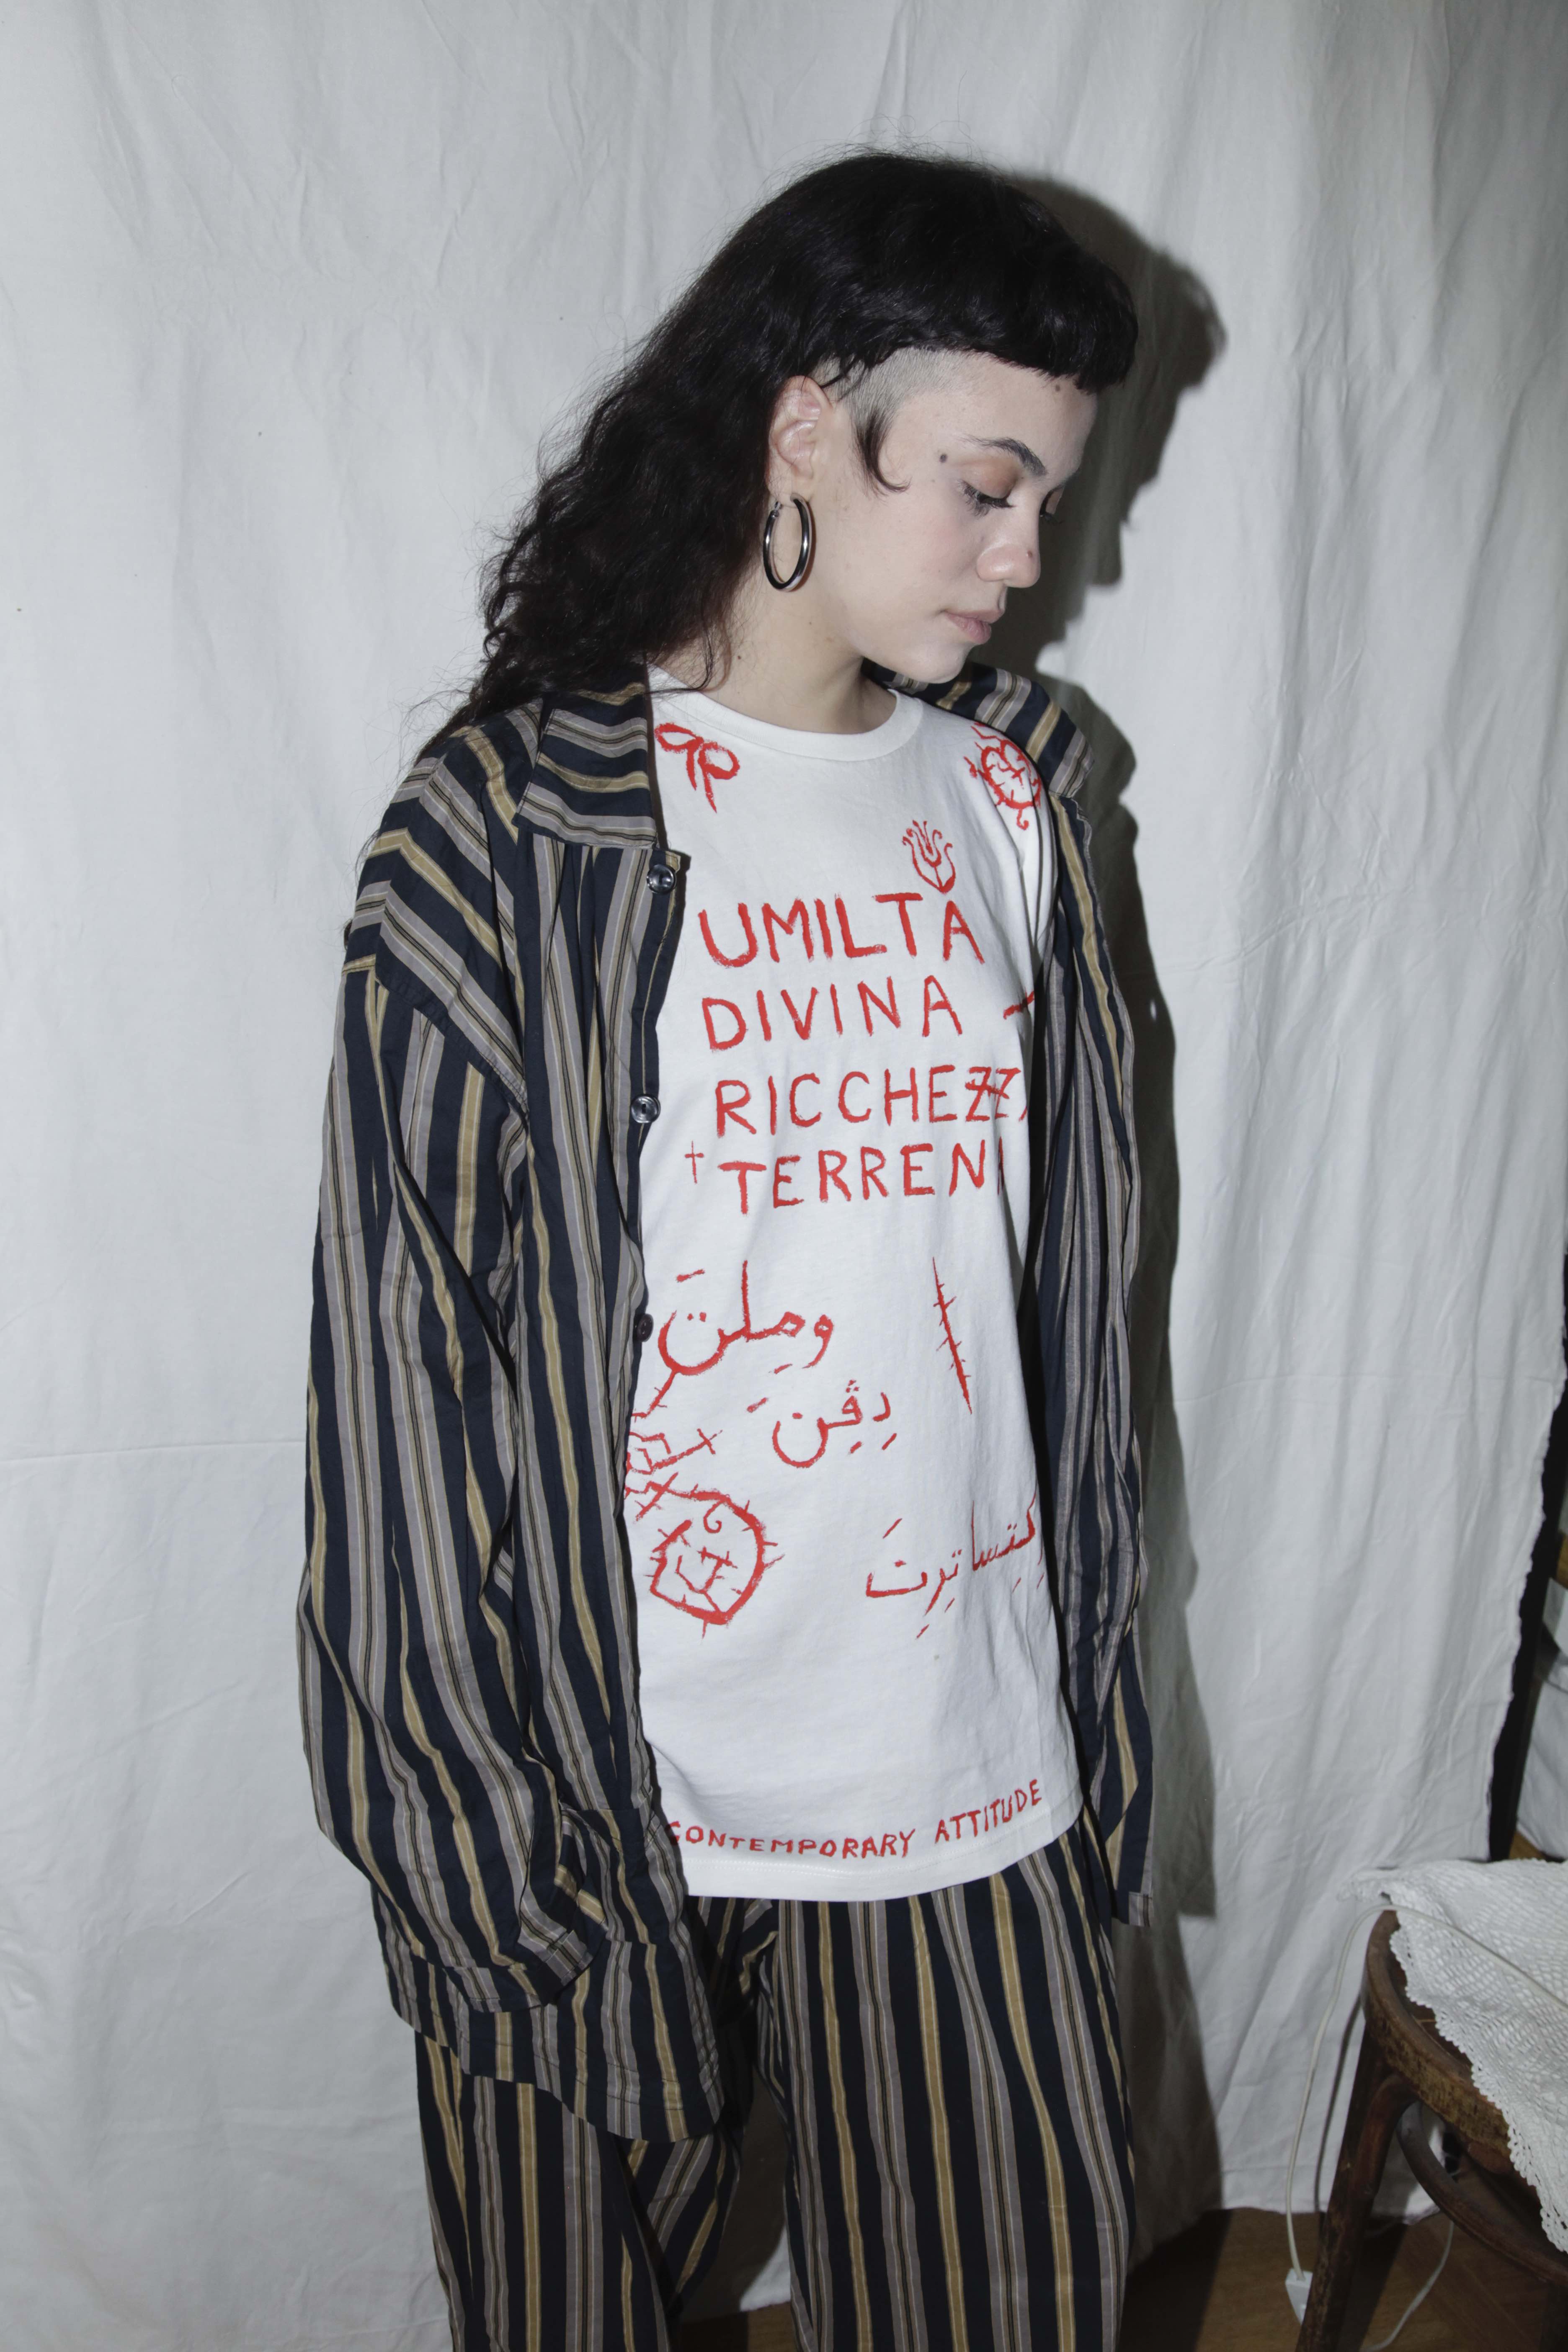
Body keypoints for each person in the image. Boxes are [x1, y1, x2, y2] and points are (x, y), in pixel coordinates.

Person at [298, 150, 1152, 2352]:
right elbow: (401, 1396)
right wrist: (479, 1849)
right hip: (606, 1795)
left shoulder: (1016, 800)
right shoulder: (516, 835)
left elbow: (1064, 1306)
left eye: (1050, 500)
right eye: (981, 486)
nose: (1029, 557)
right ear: (801, 429)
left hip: (959, 1761)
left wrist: (1093, 1695)